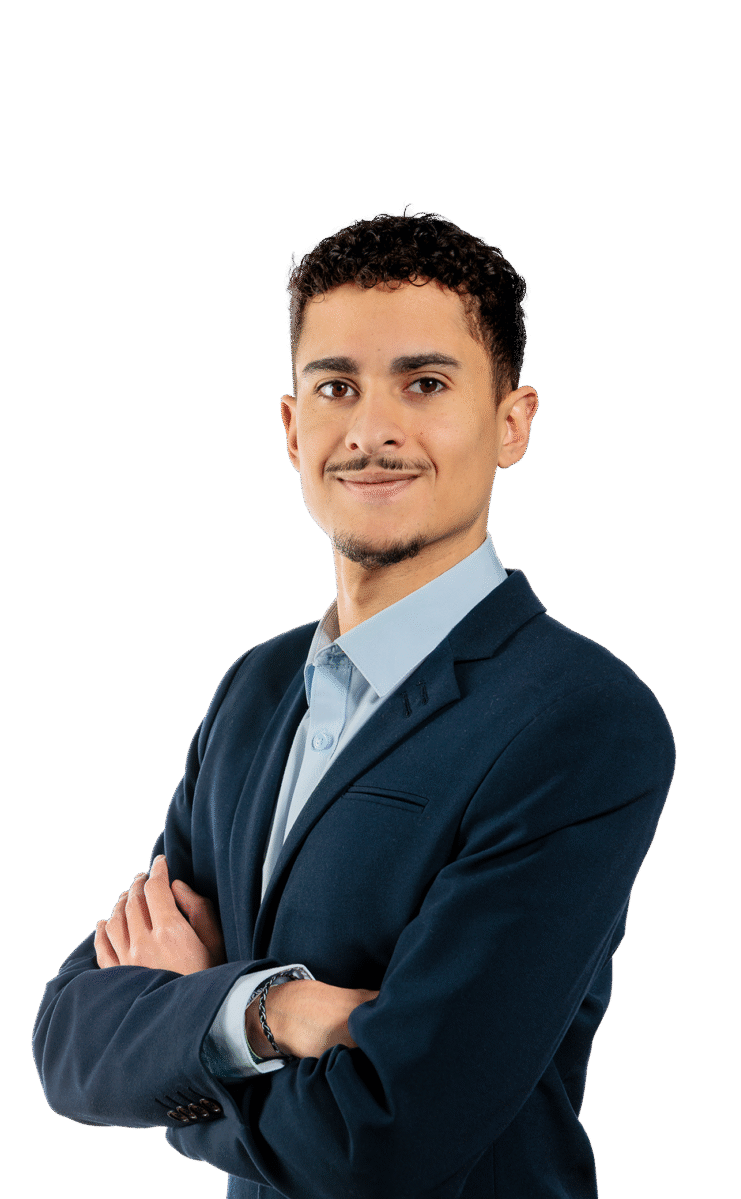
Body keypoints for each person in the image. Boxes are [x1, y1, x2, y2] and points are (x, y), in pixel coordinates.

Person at [33, 210, 676, 1199]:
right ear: (293, 430)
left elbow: (384, 1137)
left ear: (511, 422)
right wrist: (272, 1011)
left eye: (425, 383)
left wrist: (186, 1038)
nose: (371, 430)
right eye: (336, 386)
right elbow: (68, 1042)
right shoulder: (253, 694)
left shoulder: (580, 720)